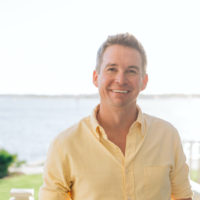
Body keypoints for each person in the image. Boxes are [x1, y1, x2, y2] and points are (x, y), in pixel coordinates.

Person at [39, 33, 193, 200]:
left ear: (144, 82)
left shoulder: (167, 136)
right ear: (96, 77)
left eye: (131, 71)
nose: (120, 79)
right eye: (112, 69)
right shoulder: (64, 145)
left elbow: (183, 197)